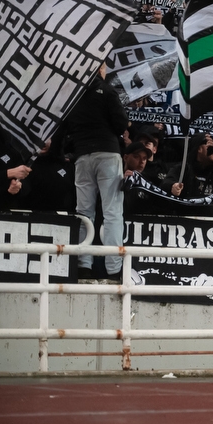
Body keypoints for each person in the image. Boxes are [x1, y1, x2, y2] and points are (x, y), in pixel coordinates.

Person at [61, 63, 128, 282]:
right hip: (107, 153)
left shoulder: (72, 94)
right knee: (112, 211)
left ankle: (83, 266)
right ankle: (113, 268)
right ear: (99, 69)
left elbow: (66, 127)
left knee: (84, 212)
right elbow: (120, 125)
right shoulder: (108, 91)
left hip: (82, 155)